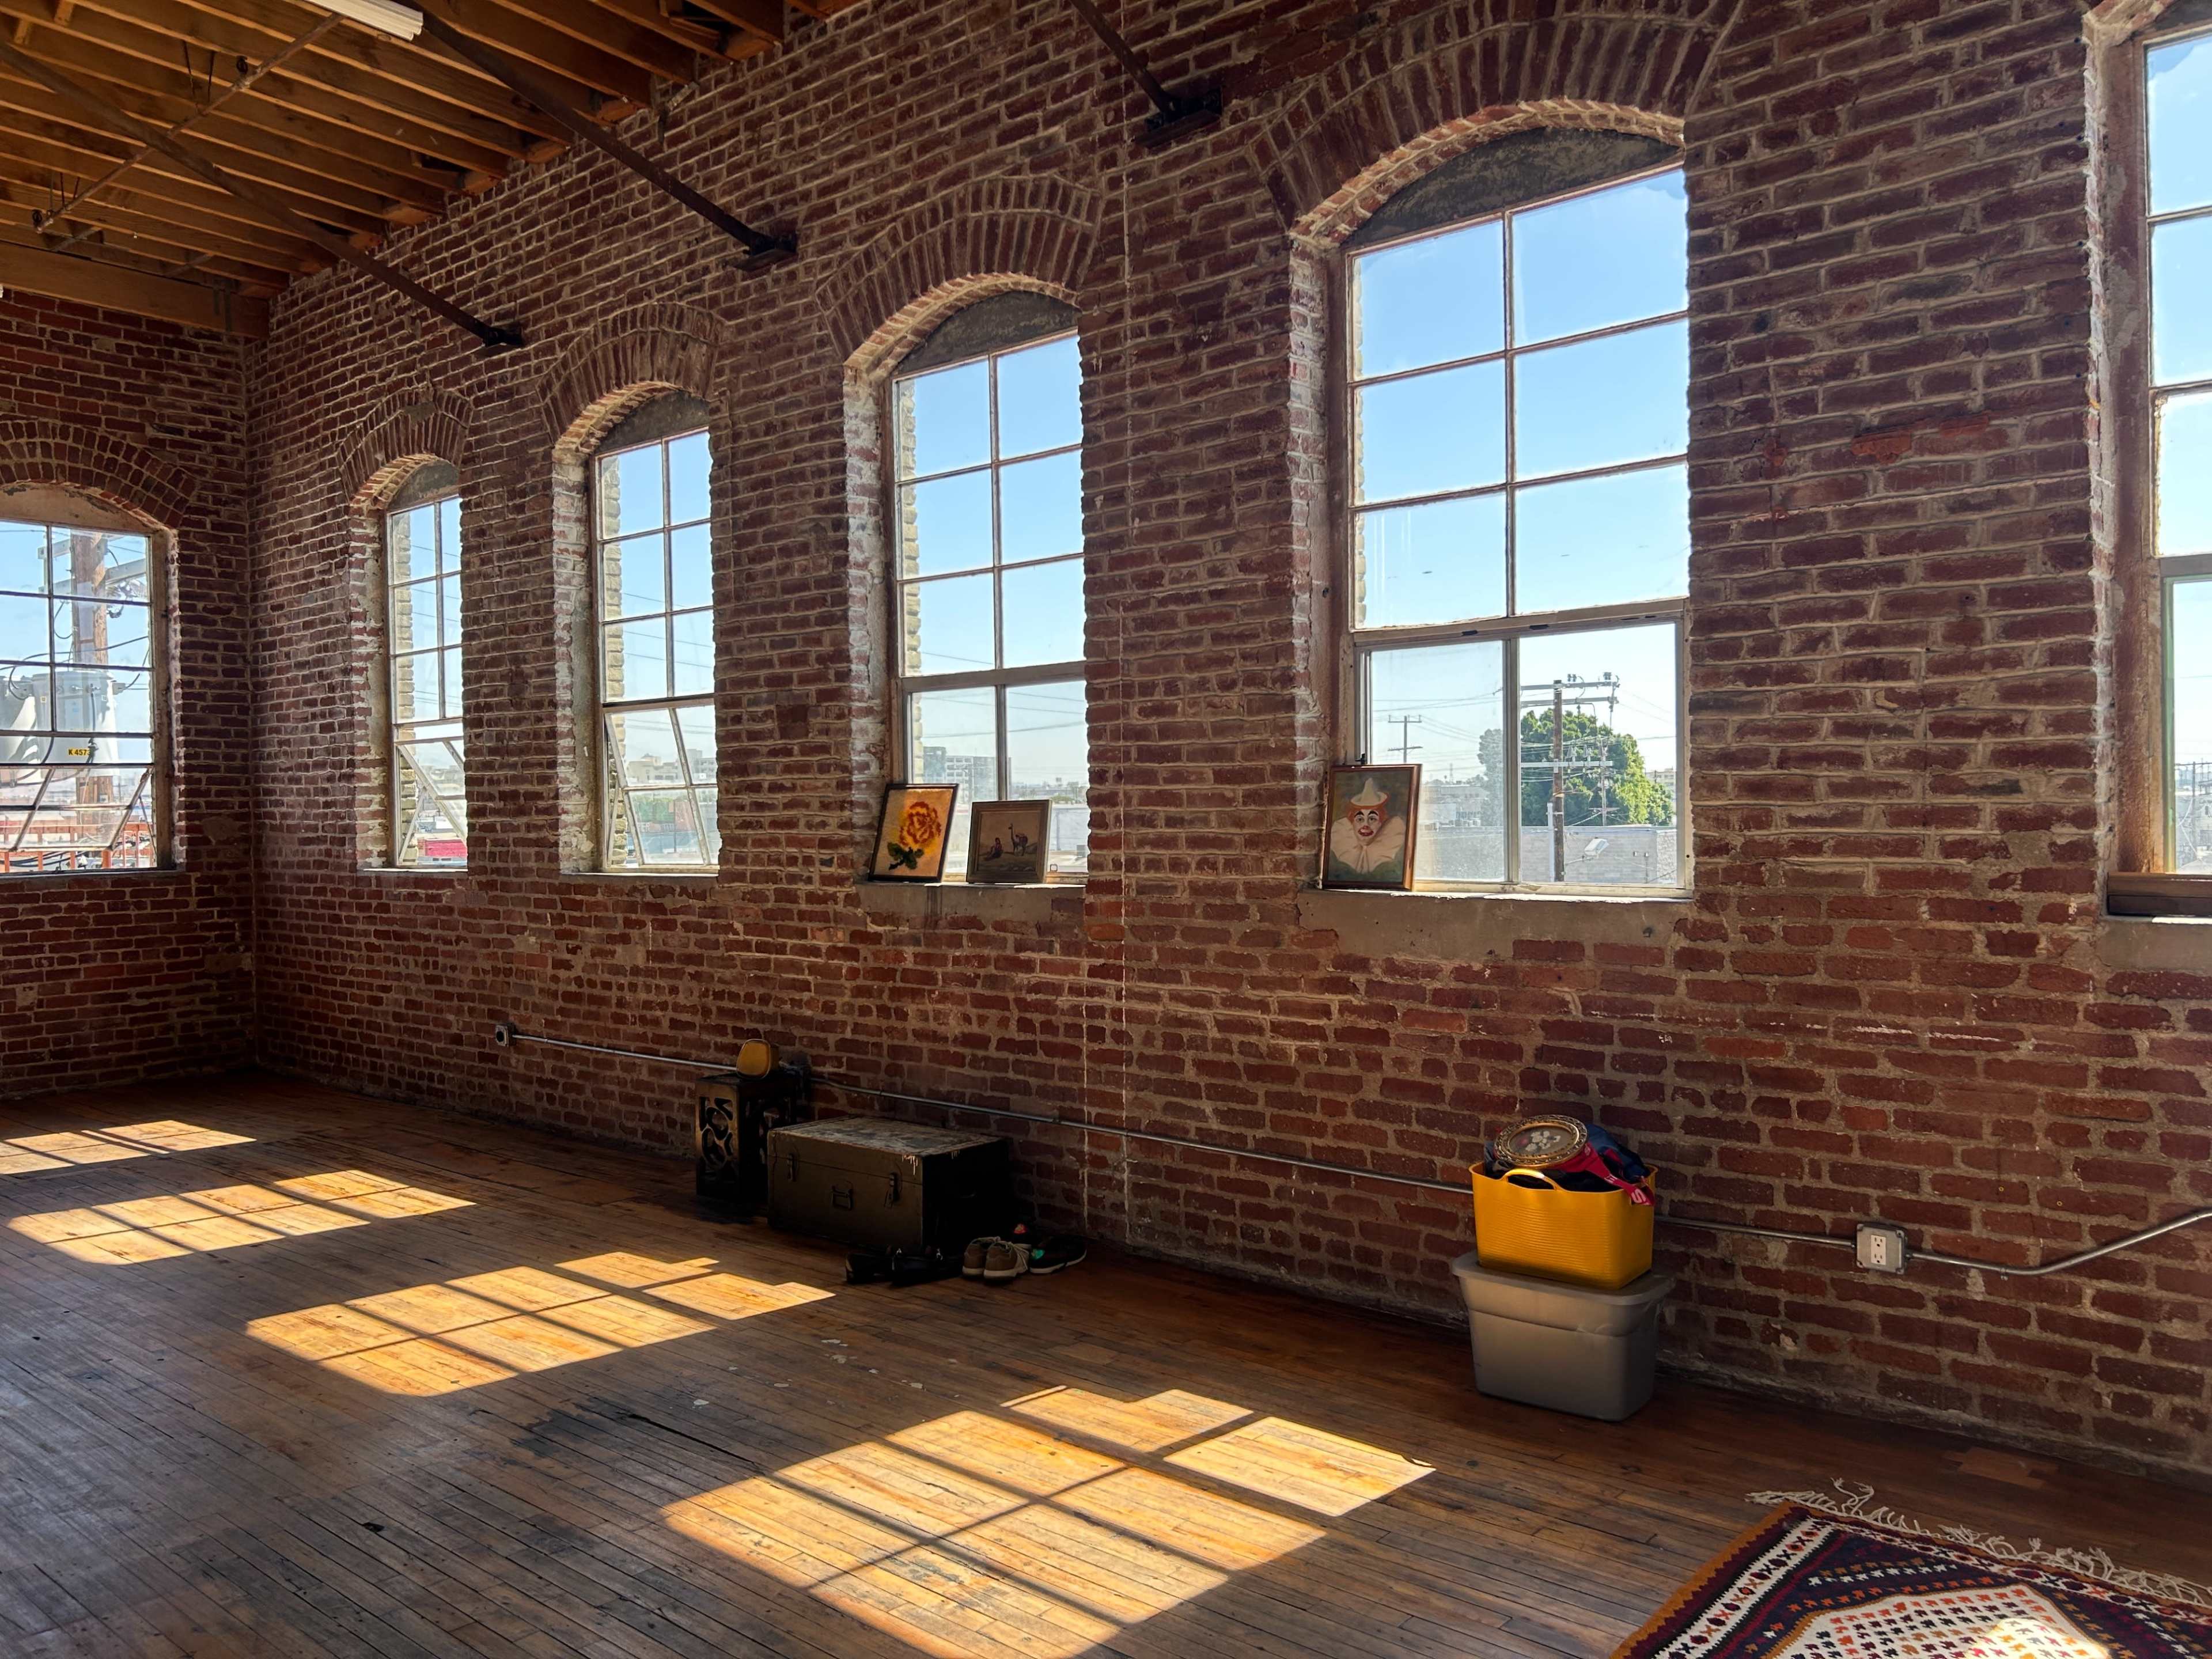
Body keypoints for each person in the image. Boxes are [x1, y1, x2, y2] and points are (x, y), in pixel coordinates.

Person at [1328, 777, 1407, 880]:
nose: (1366, 825)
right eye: (1360, 819)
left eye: (1372, 819)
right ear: (1352, 823)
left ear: (1381, 823)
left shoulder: (1393, 839)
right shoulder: (1341, 835)